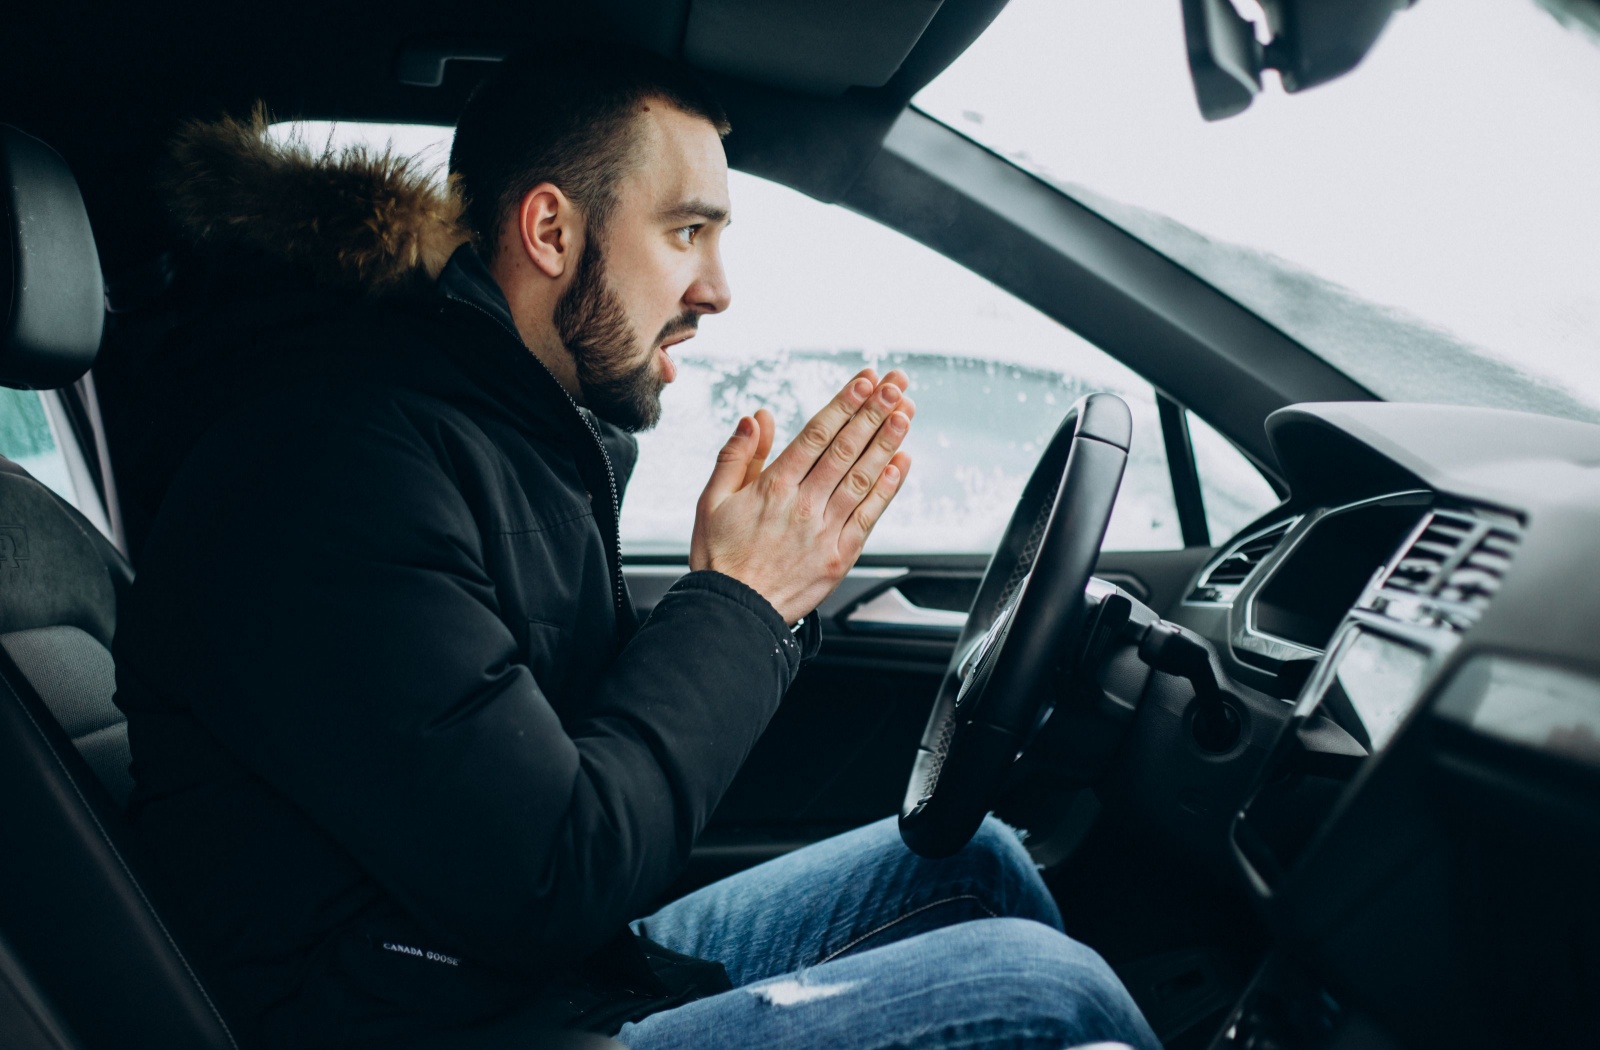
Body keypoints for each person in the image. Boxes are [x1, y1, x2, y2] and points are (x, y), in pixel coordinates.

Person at [112, 40, 1159, 1050]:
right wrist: (737, 604)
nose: (716, 288)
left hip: (504, 983)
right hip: (430, 1021)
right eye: (686, 232)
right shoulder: (330, 466)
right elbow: (552, 877)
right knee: (1048, 991)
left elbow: (559, 750)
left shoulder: (490, 430)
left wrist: (764, 596)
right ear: (553, 232)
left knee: (969, 862)